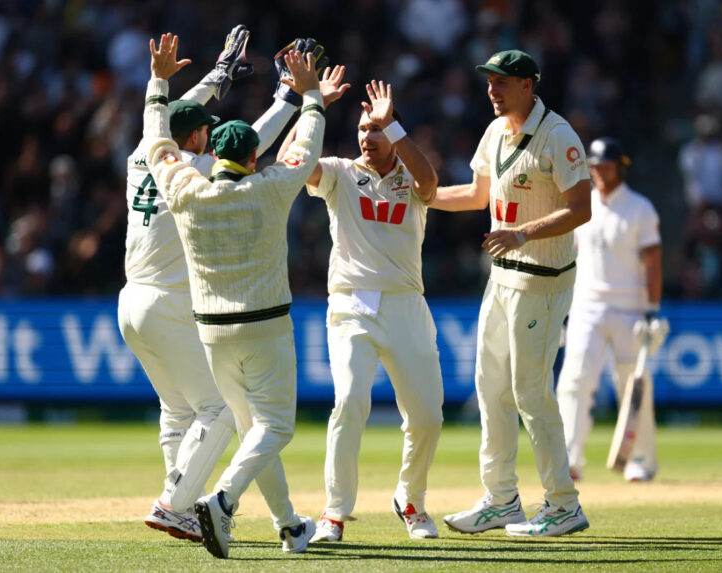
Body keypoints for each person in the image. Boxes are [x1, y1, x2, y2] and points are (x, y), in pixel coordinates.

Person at [141, 33, 336, 558]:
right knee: (275, 427)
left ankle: (291, 526)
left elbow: (158, 143)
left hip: (211, 331)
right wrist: (309, 96)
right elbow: (306, 146)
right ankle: (221, 500)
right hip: (266, 327)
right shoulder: (269, 187)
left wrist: (159, 82)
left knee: (252, 427)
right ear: (253, 155)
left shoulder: (184, 188)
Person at [430, 50, 591, 537]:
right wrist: (423, 195)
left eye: (501, 83)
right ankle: (501, 499)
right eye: (488, 84)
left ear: (528, 84)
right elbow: (478, 196)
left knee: (529, 392)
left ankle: (564, 503)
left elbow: (580, 208)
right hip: (501, 280)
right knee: (490, 389)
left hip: (540, 282)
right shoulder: (495, 131)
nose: (492, 92)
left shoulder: (558, 135)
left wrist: (522, 233)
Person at [278, 79, 444, 541]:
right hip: (351, 303)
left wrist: (392, 125)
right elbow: (288, 164)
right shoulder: (340, 172)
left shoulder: (410, 175)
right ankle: (334, 513)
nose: (368, 138)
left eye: (375, 130)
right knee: (349, 402)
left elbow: (430, 184)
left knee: (428, 416)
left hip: (406, 302)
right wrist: (312, 107)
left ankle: (410, 499)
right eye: (363, 130)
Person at [556, 137, 670, 483]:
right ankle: (569, 459)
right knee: (574, 381)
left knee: (633, 387)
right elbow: (570, 258)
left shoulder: (640, 208)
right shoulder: (583, 205)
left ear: (620, 166)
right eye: (594, 166)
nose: (599, 172)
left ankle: (641, 460)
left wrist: (651, 310)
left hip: (630, 310)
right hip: (586, 307)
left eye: (605, 166)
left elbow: (653, 263)